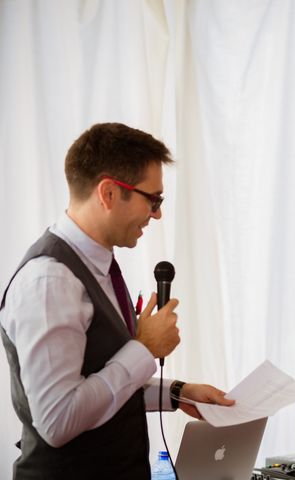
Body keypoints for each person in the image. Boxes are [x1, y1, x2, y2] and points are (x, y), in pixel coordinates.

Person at [0, 123, 234, 479]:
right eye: (153, 200)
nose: (157, 214)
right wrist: (144, 348)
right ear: (109, 193)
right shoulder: (50, 281)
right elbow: (58, 420)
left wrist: (177, 393)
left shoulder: (99, 266)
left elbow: (100, 383)